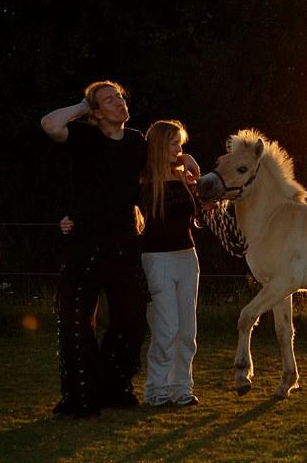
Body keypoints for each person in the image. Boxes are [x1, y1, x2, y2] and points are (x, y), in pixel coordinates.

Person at [40, 80, 198, 418]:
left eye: (120, 97)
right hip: (84, 242)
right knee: (76, 321)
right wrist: (85, 105)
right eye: (109, 100)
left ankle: (115, 387)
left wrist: (184, 156)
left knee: (131, 320)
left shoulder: (136, 141)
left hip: (125, 243)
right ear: (96, 112)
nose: (119, 103)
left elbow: (158, 165)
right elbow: (50, 124)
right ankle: (82, 396)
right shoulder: (83, 135)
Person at [138, 119, 201, 407]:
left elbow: (199, 211)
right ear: (160, 144)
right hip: (156, 258)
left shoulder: (184, 178)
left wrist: (190, 163)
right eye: (174, 143)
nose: (179, 148)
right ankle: (156, 391)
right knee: (166, 329)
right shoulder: (142, 179)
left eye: (181, 143)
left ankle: (181, 389)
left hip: (187, 257)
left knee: (187, 330)